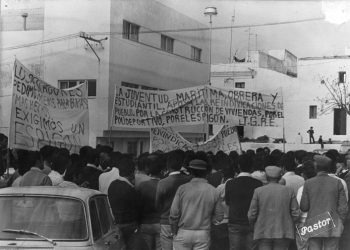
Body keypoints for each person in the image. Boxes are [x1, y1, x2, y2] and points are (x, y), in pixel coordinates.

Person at [170, 159, 224, 250]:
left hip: (183, 232)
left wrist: (174, 232)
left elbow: (174, 214)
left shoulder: (182, 189)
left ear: (190, 172)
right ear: (206, 173)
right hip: (203, 233)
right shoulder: (213, 190)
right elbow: (219, 216)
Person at [300, 155, 348, 250]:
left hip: (314, 225)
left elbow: (304, 207)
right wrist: (340, 222)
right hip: (332, 223)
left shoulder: (308, 183)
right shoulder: (337, 182)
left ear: (316, 167)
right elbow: (343, 208)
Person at [248, 166, 299, 250]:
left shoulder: (258, 191)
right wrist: (288, 223)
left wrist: (254, 225)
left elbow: (252, 214)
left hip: (263, 230)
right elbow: (296, 213)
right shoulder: (289, 191)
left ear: (266, 178)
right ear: (280, 177)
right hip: (283, 231)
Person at [225, 154, 263, 250]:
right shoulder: (258, 184)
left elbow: (228, 202)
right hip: (253, 223)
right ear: (252, 167)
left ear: (238, 166)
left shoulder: (230, 183)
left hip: (235, 222)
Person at [155, 150, 191, 250]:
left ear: (168, 166)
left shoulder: (162, 183)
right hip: (184, 221)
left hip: (166, 222)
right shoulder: (189, 179)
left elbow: (158, 205)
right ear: (181, 165)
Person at [108, 155, 140, 250]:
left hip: (116, 225)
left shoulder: (112, 185)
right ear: (132, 173)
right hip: (129, 225)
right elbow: (136, 209)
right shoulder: (130, 189)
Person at [138, 154, 163, 250]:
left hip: (145, 223)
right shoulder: (163, 184)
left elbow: (139, 206)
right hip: (160, 223)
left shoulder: (142, 185)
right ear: (161, 171)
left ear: (148, 170)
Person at [296, 160, 316, 250]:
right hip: (319, 221)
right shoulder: (320, 187)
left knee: (303, 247)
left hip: (304, 222)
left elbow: (299, 208)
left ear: (304, 174)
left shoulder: (302, 188)